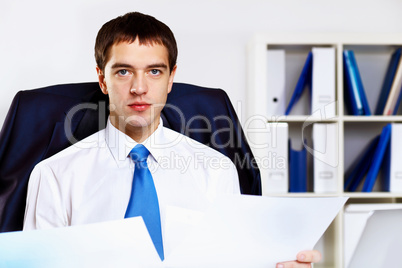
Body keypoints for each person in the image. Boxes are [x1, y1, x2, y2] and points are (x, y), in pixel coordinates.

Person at [23, 11, 321, 267]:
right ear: (102, 79)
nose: (139, 88)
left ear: (171, 79)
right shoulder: (54, 175)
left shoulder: (217, 171)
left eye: (154, 71)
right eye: (124, 71)